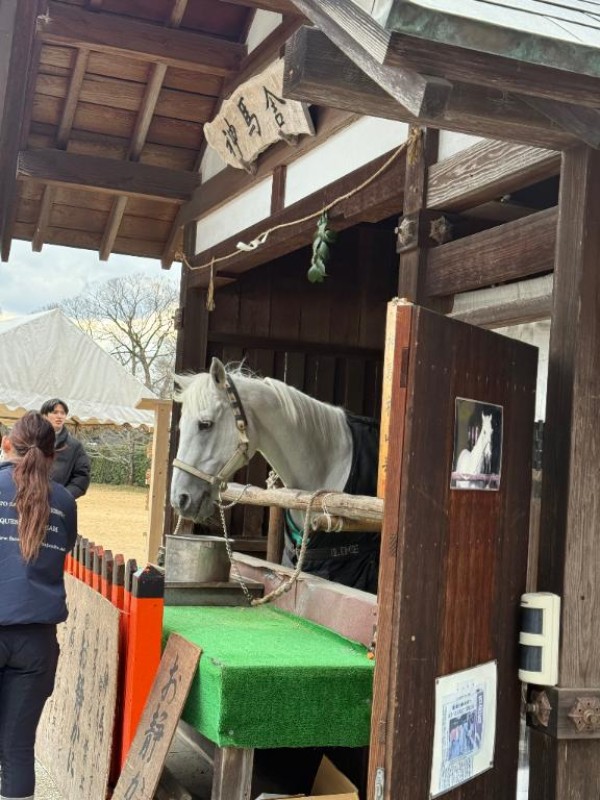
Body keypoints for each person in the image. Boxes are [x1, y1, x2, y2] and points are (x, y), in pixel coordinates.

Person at [0, 412, 77, 800]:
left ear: (6, 444)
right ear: (54, 455)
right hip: (37, 642)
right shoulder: (63, 500)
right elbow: (64, 549)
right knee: (17, 749)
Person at [40, 398, 91, 499]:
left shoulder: (75, 446)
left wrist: (65, 496)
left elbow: (82, 477)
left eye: (63, 413)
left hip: (59, 504)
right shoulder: (31, 440)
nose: (59, 416)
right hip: (30, 502)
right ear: (44, 415)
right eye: (55, 412)